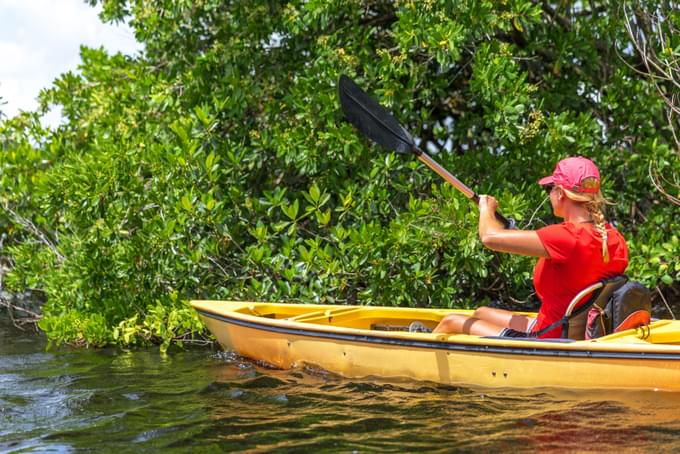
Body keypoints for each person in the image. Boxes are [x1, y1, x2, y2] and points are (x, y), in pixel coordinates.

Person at [433, 156, 629, 338]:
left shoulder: (566, 236)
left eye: (550, 189)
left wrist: (486, 208)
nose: (549, 194)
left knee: (451, 322)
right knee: (481, 312)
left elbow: (488, 237)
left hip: (547, 338)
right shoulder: (613, 238)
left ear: (560, 193)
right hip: (571, 329)